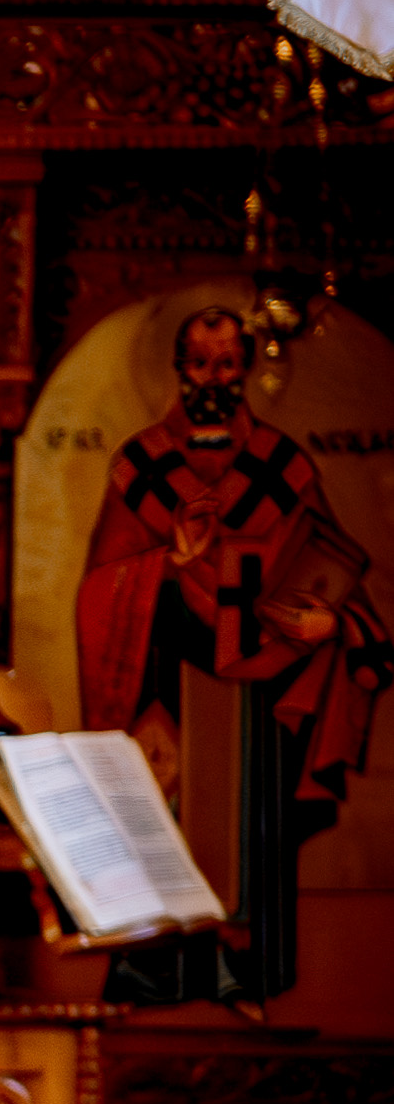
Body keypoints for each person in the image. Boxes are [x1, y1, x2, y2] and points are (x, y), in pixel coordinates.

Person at [74, 304, 390, 811]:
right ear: (179, 368)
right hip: (172, 696)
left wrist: (331, 624)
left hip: (270, 703)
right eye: (199, 363)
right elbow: (97, 591)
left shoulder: (282, 466)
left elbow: (335, 573)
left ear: (245, 369)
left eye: (226, 364)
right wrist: (170, 565)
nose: (213, 378)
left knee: (262, 817)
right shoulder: (141, 468)